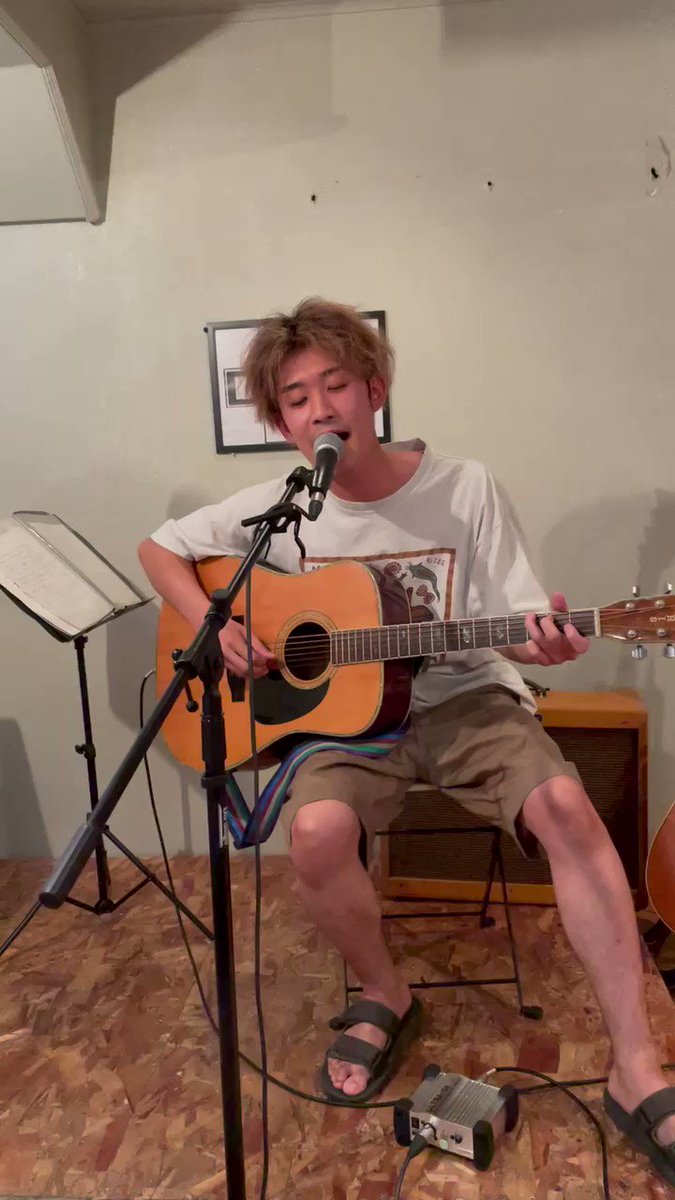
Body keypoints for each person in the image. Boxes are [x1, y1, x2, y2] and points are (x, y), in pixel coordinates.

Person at [138, 298, 675, 1184]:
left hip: (468, 703)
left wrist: (544, 639)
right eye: (296, 399)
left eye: (335, 386)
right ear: (279, 422)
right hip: (347, 726)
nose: (319, 409)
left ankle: (636, 1064)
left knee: (568, 809)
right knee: (314, 833)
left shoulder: (463, 487)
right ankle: (384, 991)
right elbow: (159, 548)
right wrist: (213, 620)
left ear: (374, 390)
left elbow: (516, 619)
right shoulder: (282, 508)